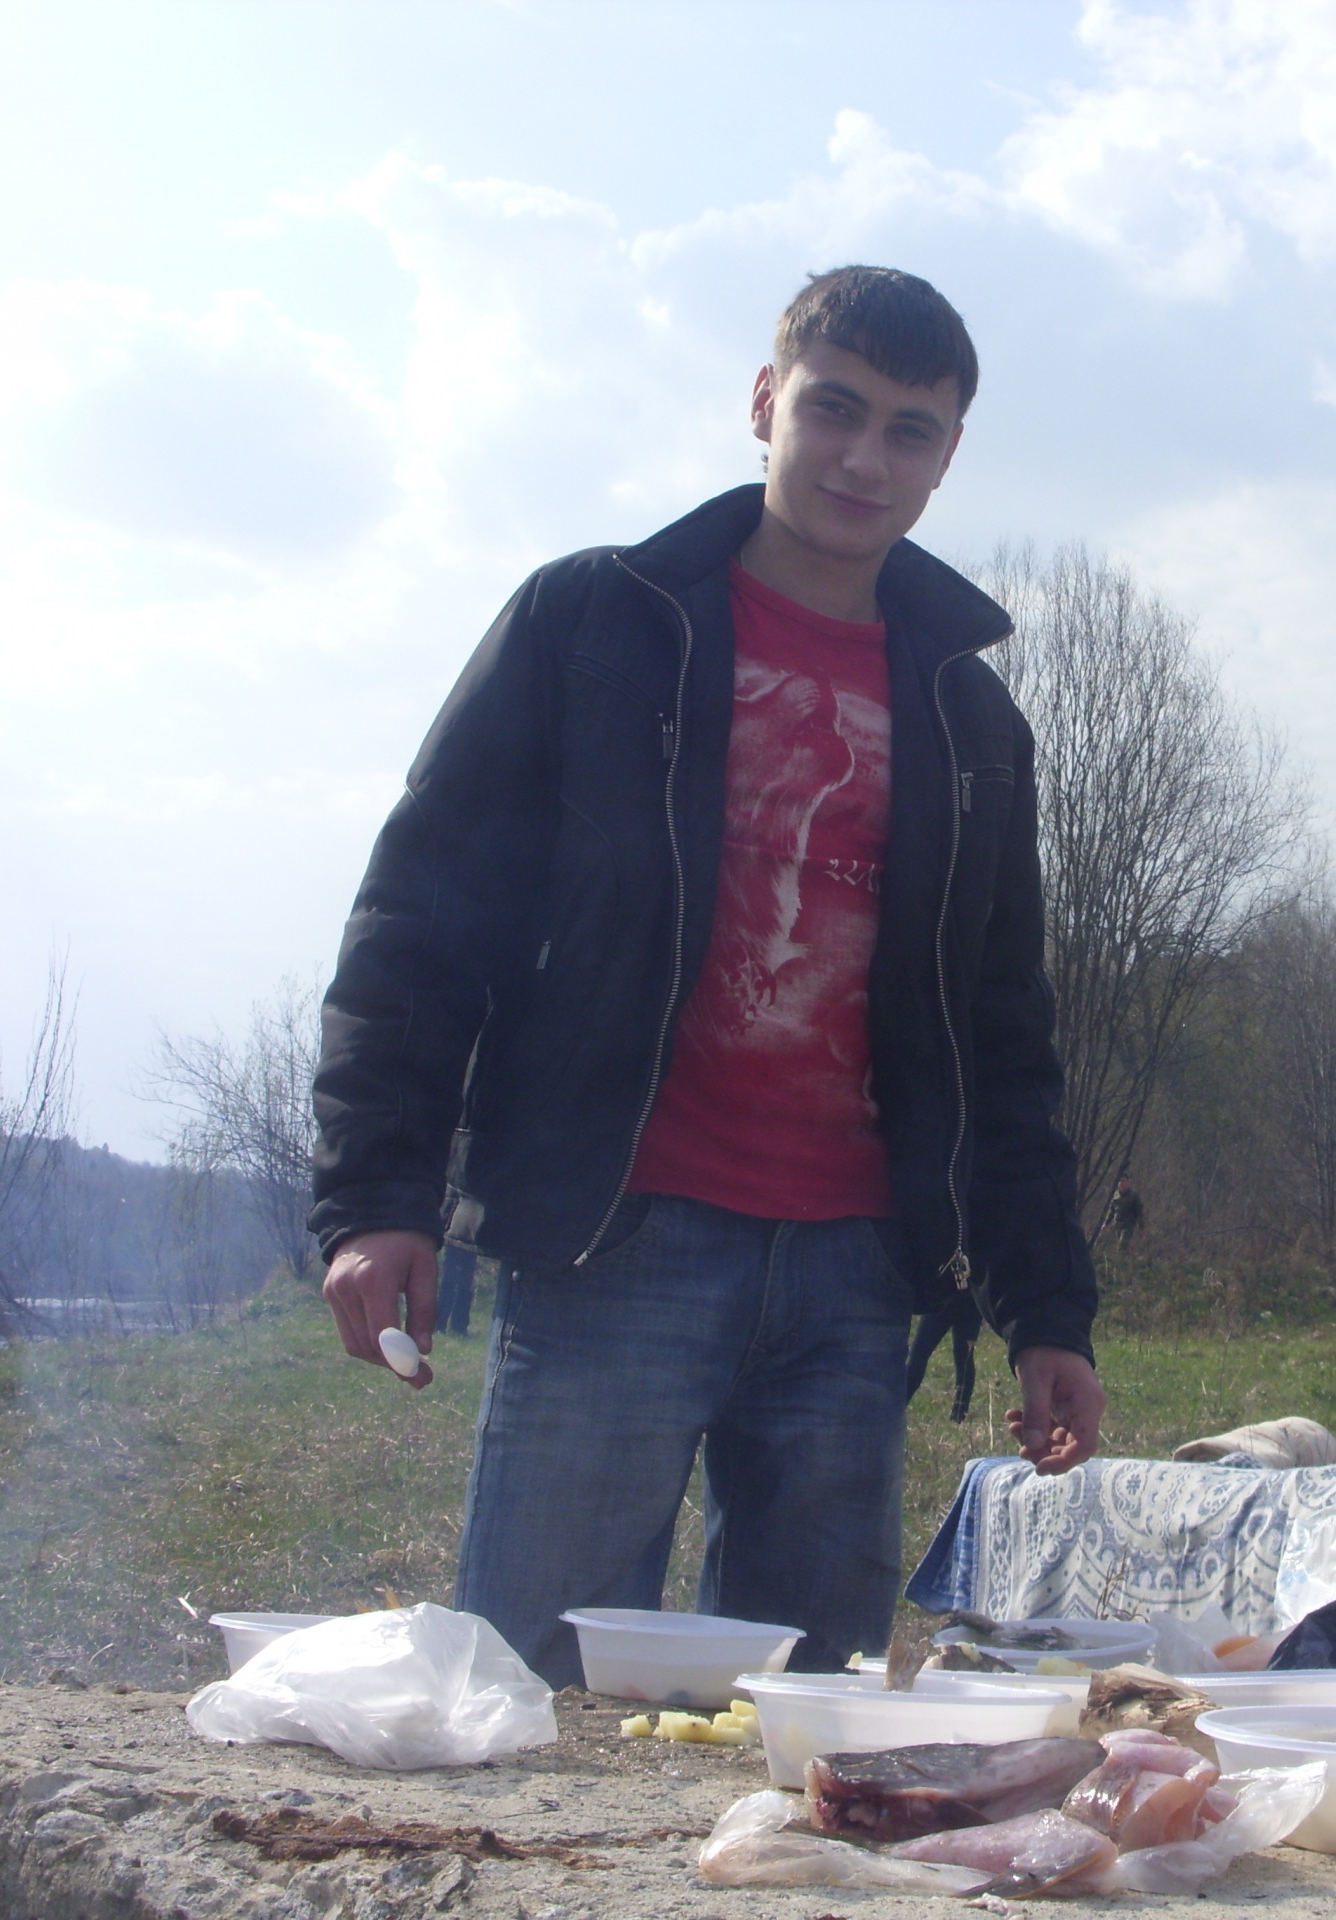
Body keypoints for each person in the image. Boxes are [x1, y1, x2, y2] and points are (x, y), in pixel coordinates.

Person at [309, 267, 1105, 1685]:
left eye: (909, 430)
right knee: (531, 1695)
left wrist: (1047, 1309)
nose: (864, 458)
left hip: (858, 1275)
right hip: (616, 1241)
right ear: (764, 402)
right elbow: (423, 920)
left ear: (947, 457)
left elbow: (1003, 1035)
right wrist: (379, 1197)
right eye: (834, 409)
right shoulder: (593, 625)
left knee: (804, 1725)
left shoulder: (971, 717)